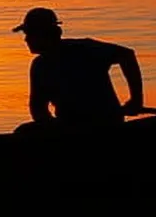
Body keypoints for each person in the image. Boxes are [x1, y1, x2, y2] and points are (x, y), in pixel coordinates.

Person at [12, 7, 144, 131]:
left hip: (104, 122)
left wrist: (136, 99)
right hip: (69, 125)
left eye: (30, 34)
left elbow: (126, 55)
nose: (26, 39)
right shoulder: (40, 66)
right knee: (24, 131)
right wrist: (49, 126)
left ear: (46, 34)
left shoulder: (86, 49)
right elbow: (38, 108)